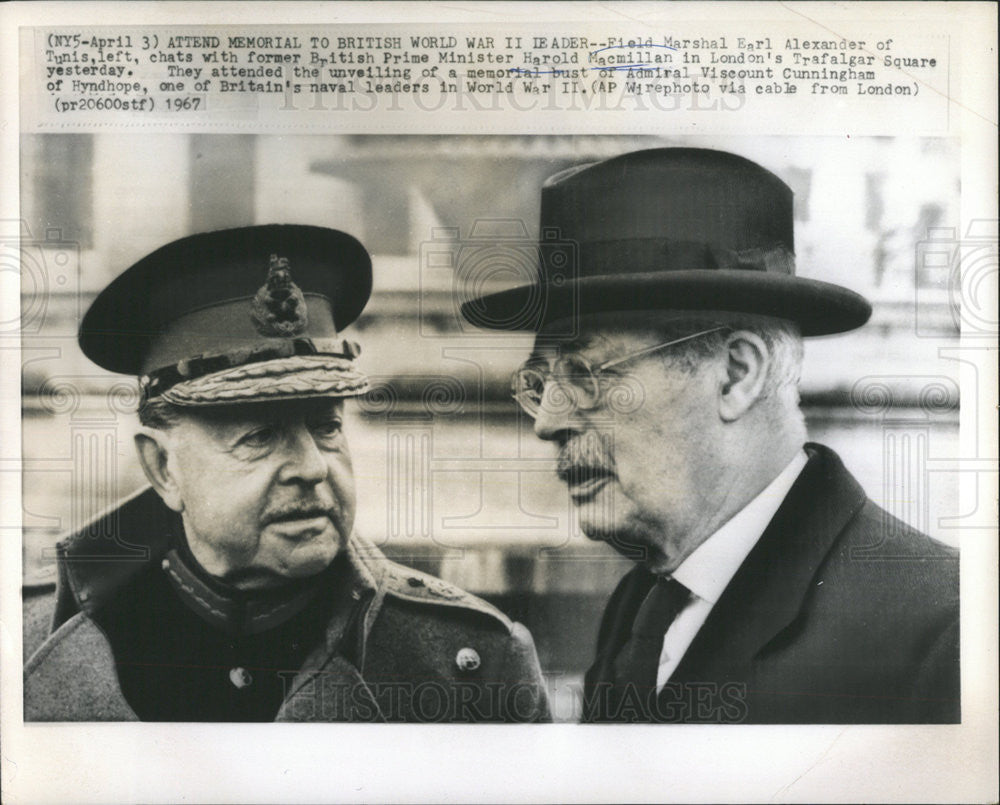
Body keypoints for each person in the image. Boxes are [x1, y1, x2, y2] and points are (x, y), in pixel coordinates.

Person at [460, 148, 959, 724]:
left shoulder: (944, 630)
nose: (547, 422)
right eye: (541, 383)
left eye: (587, 375)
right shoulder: (640, 606)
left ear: (736, 375)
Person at [24, 224, 550, 723]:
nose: (313, 467)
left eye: (326, 426)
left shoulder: (474, 665)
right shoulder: (24, 641)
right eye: (259, 437)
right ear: (163, 468)